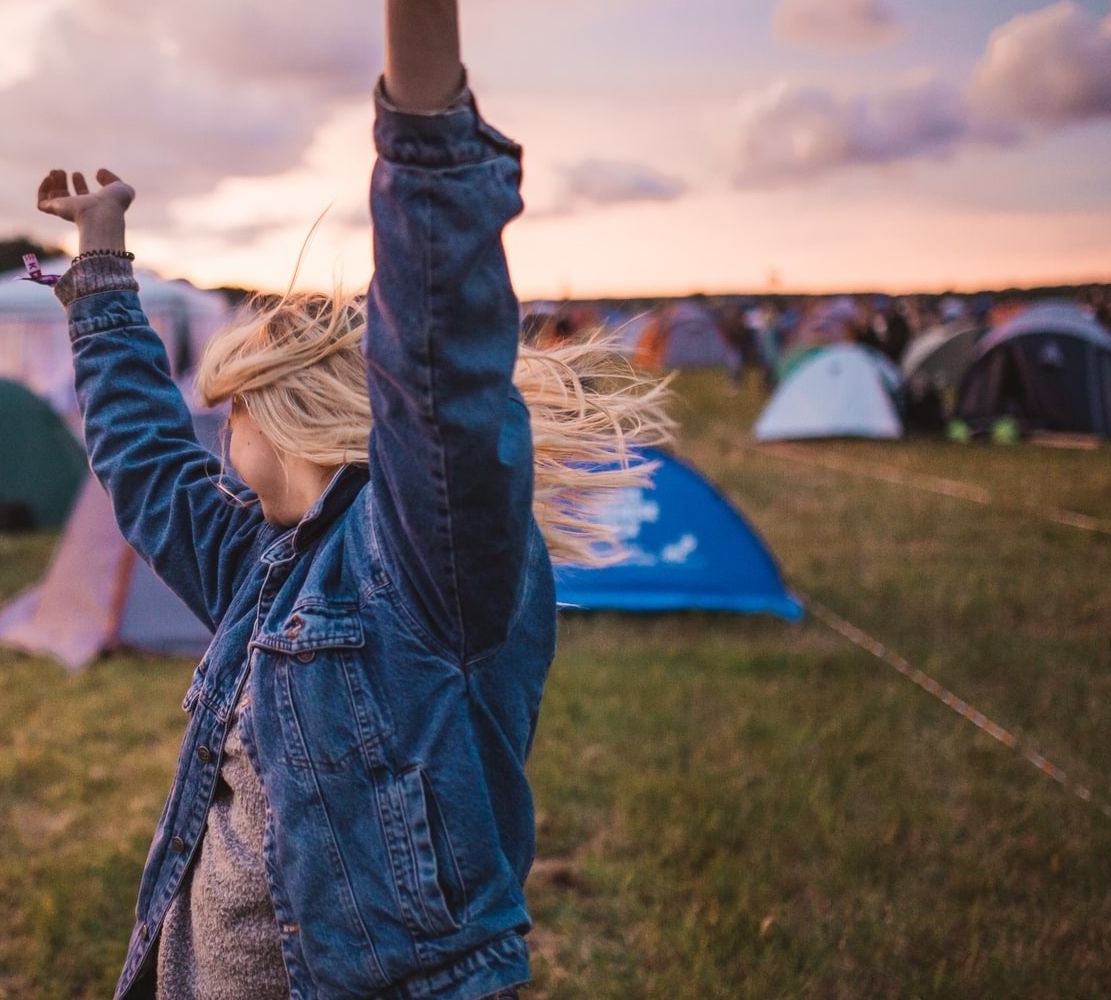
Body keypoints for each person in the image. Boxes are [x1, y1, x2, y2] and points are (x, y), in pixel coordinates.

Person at [33, 2, 669, 996]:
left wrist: (423, 99)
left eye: (224, 411)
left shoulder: (421, 560)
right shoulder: (266, 564)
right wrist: (104, 266)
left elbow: (439, 349)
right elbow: (147, 464)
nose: (213, 434)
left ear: (271, 414)